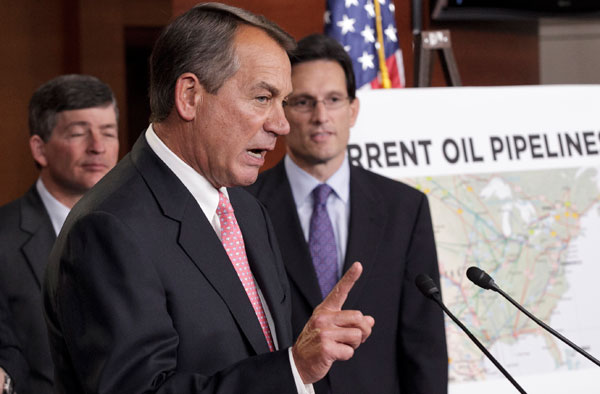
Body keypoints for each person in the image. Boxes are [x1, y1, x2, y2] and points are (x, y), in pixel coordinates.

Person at [43, 4, 374, 393]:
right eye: (262, 97)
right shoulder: (109, 228)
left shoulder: (247, 211)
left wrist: (296, 364)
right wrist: (293, 369)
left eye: (282, 102)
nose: (281, 125)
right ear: (189, 96)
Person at [247, 34, 448, 394]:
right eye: (304, 101)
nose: (321, 116)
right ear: (283, 111)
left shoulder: (405, 208)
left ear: (353, 110)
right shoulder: (242, 205)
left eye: (334, 100)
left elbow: (425, 345)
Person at [0, 74, 120, 394]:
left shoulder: (145, 230)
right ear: (40, 150)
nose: (98, 147)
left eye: (108, 133)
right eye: (79, 133)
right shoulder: (4, 237)